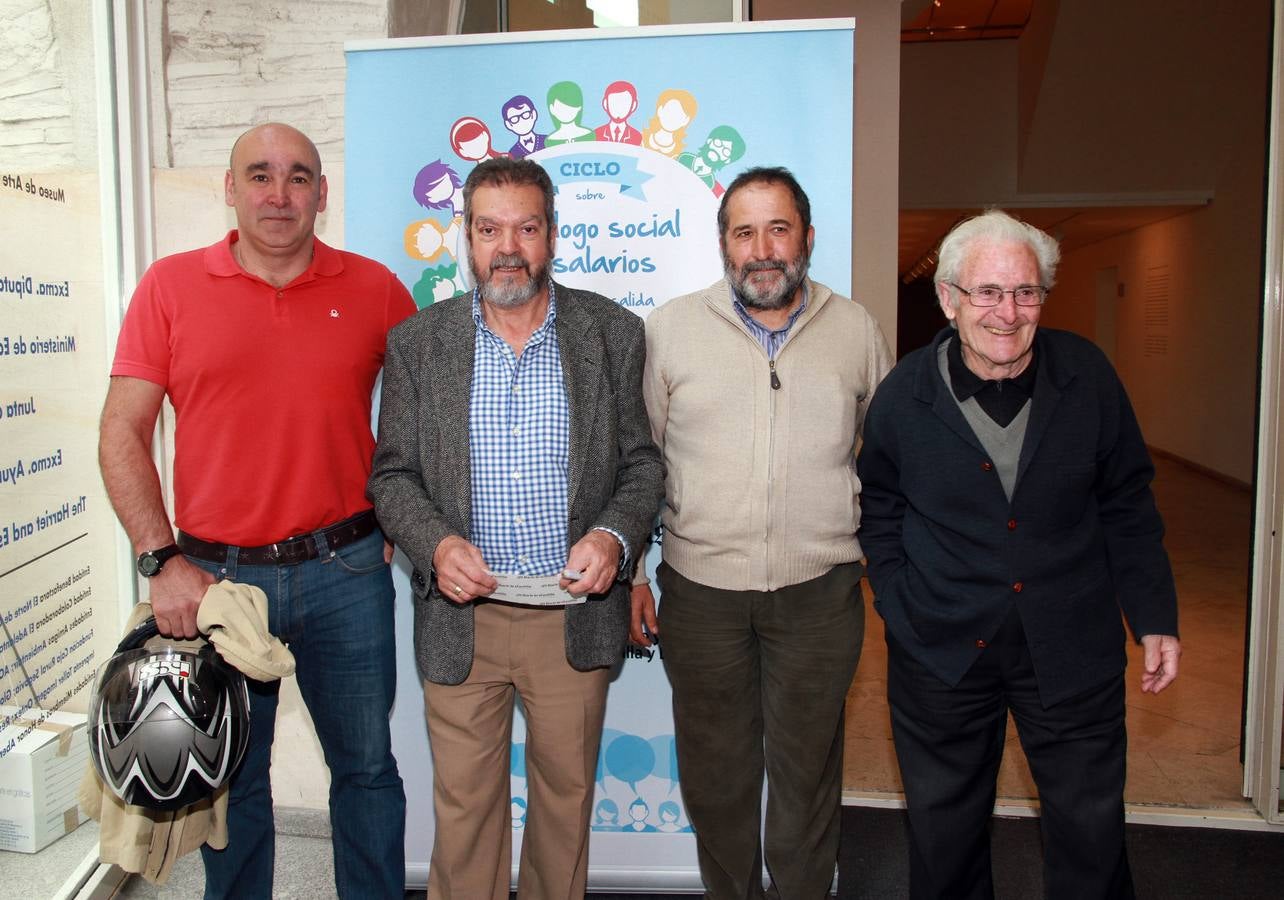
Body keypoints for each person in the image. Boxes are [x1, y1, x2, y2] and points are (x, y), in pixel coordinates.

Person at [98, 123, 412, 899]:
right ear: (230, 189)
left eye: (299, 177)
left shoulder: (375, 289)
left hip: (348, 572)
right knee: (229, 782)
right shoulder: (170, 287)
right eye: (261, 176)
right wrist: (159, 560)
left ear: (322, 195)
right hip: (215, 583)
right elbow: (120, 432)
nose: (280, 194)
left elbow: (422, 424)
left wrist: (400, 524)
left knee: (367, 772)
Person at [856, 209, 1181, 899]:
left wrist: (1153, 615)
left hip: (1072, 647)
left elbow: (1128, 499)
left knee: (1091, 835)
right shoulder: (904, 396)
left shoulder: (1087, 377)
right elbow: (877, 504)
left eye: (1026, 292)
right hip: (940, 649)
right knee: (945, 841)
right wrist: (898, 600)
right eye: (988, 292)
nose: (1008, 312)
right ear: (948, 298)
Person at [367, 156, 663, 899]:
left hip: (573, 616)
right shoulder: (418, 344)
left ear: (553, 236)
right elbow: (392, 475)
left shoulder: (611, 333)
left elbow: (642, 467)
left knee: (564, 809)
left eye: (526, 228)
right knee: (464, 812)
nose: (509, 247)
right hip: (460, 617)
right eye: (490, 228)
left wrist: (615, 539)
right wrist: (434, 543)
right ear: (464, 237)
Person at [631, 166, 893, 897]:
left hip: (820, 595)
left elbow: (889, 457)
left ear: (807, 237)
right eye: (744, 232)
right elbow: (637, 463)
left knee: (807, 782)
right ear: (724, 244)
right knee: (717, 782)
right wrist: (634, 574)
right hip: (702, 597)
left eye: (778, 229)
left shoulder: (856, 330)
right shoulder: (671, 330)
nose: (762, 249)